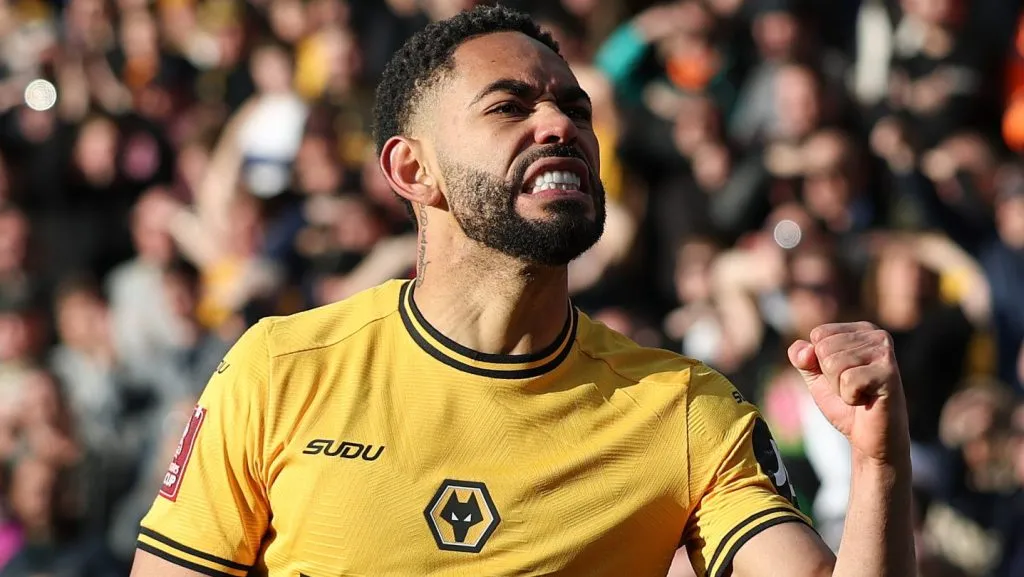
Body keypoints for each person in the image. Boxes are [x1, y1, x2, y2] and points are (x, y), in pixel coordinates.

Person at [129, 6, 915, 577]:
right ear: (412, 169)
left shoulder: (683, 408)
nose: (560, 125)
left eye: (575, 108)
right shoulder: (279, 365)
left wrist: (879, 461)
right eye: (510, 106)